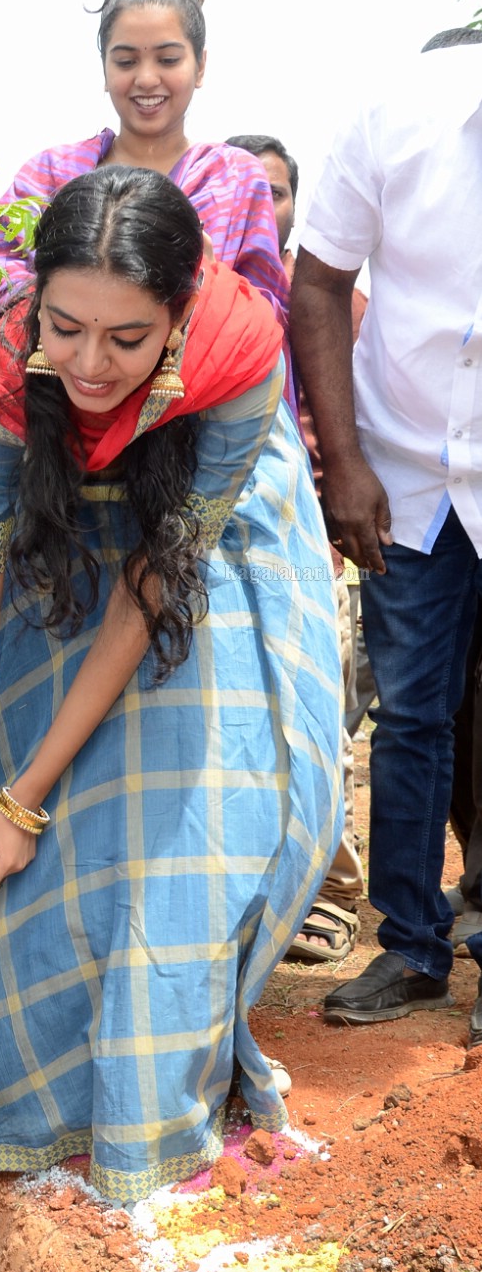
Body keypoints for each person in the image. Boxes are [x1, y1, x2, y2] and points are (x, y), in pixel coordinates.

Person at [0, 166, 341, 1203]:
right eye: (64, 328)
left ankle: (142, 1115)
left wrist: (25, 795)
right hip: (58, 534)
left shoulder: (239, 350)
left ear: (176, 317)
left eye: (125, 339)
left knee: (172, 845)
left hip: (187, 566)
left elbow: (146, 594)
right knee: (17, 869)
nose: (85, 362)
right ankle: (22, 1085)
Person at [290, 33, 482, 1033]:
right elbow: (316, 280)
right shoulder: (395, 118)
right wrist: (344, 461)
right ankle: (409, 943)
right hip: (407, 469)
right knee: (409, 714)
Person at [0, 0, 292, 390]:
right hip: (62, 416)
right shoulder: (50, 175)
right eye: (126, 60)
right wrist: (66, 305)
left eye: (168, 59)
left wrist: (209, 288)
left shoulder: (237, 178)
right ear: (103, 67)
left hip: (199, 426)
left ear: (201, 66)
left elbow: (267, 317)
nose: (147, 78)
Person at [227, 133, 367, 964]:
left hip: (317, 542)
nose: (260, 205)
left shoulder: (323, 304)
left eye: (274, 191)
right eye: (247, 190)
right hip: (233, 547)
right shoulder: (197, 298)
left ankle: (334, 889)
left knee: (327, 714)